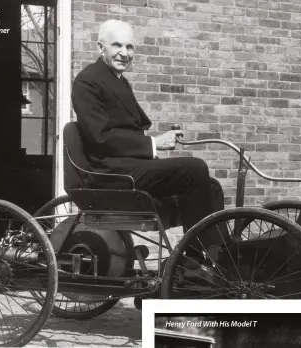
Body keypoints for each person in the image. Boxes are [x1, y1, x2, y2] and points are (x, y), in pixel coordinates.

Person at [71, 19, 228, 279]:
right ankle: (194, 260)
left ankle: (220, 258)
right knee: (194, 167)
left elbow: (124, 133)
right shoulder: (88, 81)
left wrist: (150, 149)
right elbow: (100, 138)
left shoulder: (118, 80)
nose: (124, 53)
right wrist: (153, 144)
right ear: (101, 47)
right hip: (109, 172)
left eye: (130, 47)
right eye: (117, 45)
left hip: (127, 165)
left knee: (211, 187)